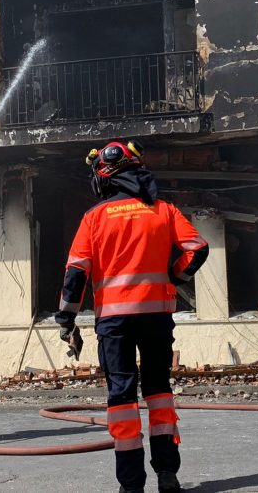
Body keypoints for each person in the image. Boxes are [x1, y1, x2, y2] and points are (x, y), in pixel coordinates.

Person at [57, 140, 209, 493]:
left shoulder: (94, 217)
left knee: (122, 398)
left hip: (114, 322)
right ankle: (168, 474)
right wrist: (175, 277)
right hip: (156, 316)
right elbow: (197, 249)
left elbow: (76, 273)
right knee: (159, 391)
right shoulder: (164, 210)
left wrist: (66, 318)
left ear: (104, 176)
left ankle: (131, 485)